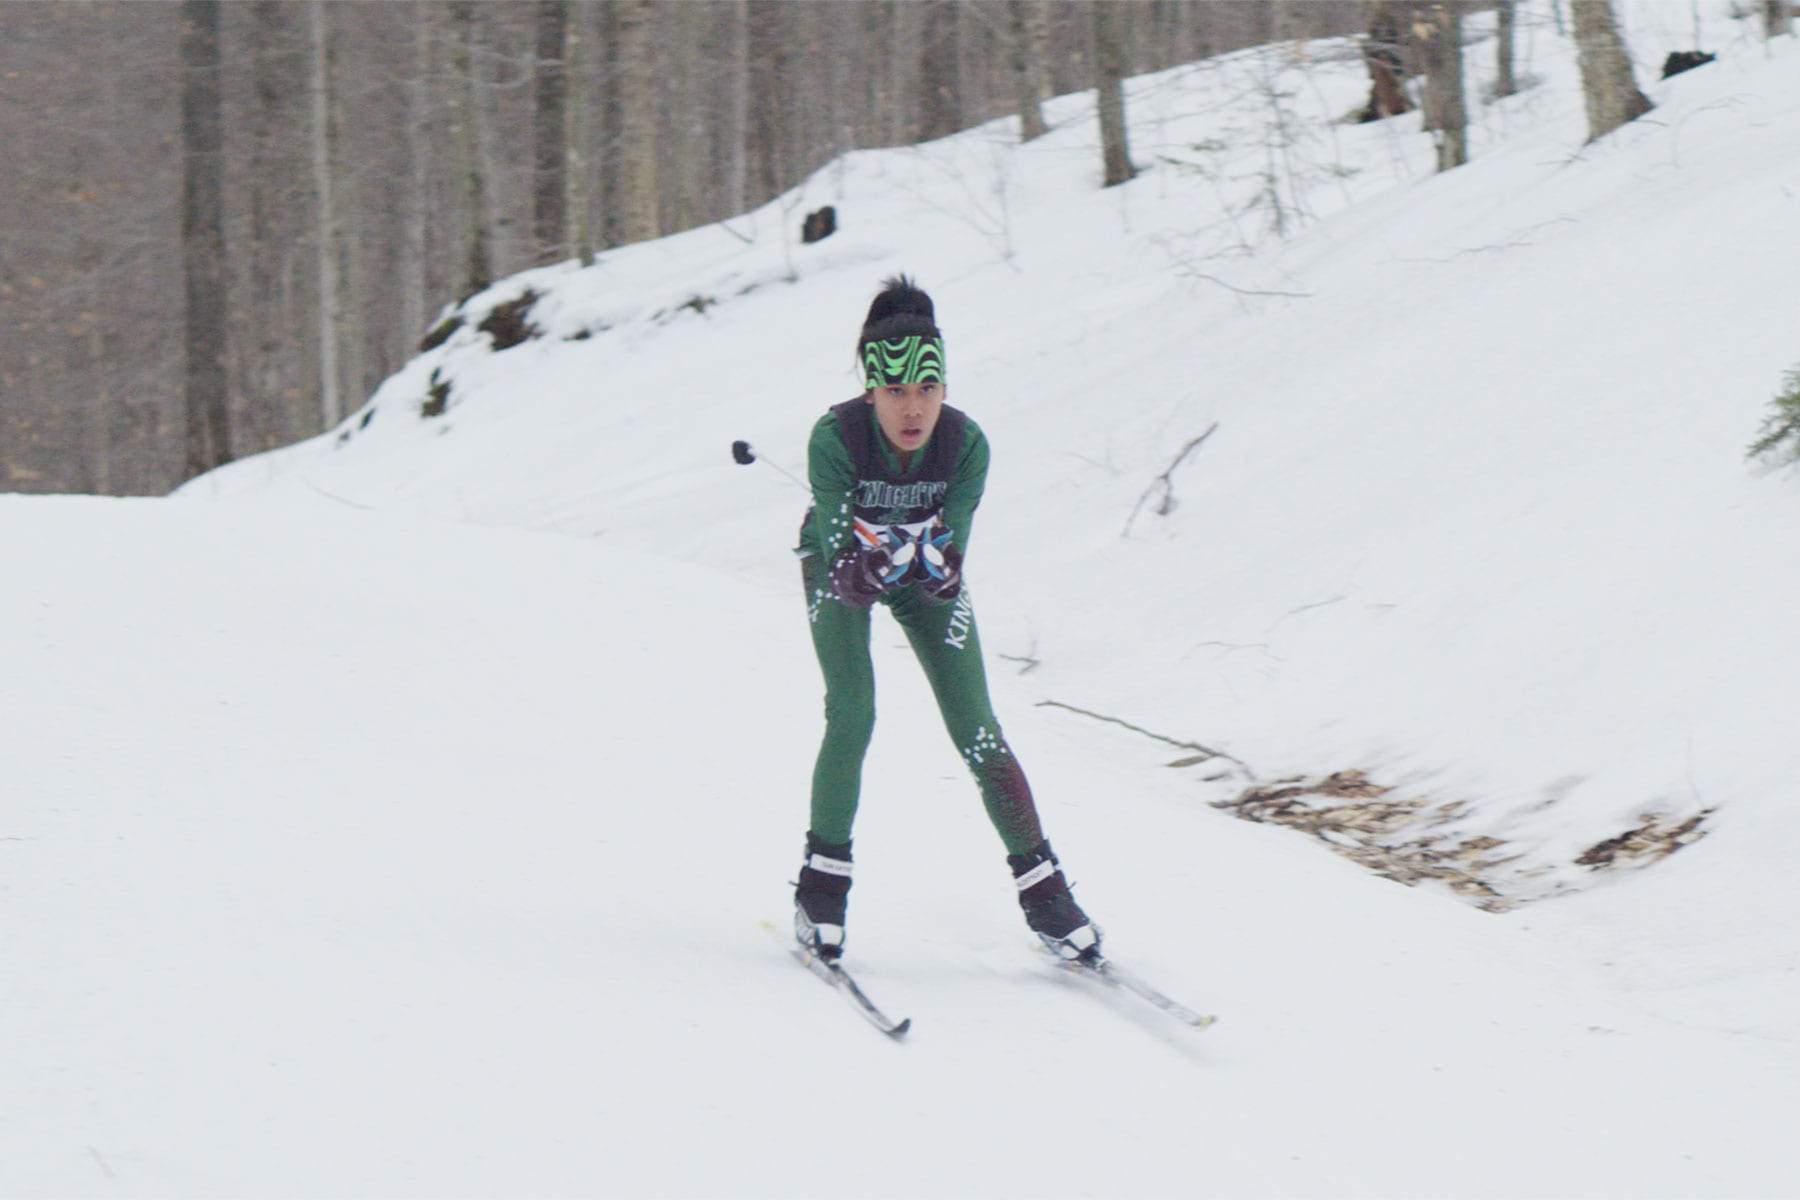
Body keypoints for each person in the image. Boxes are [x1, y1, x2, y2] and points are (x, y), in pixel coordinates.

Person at [791, 275, 1101, 964]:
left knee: (979, 729)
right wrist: (864, 565)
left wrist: (937, 565)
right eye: (896, 392)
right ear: (871, 389)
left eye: (927, 390)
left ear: (944, 389)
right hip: (840, 570)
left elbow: (952, 549)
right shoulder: (833, 438)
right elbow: (841, 553)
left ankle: (1048, 895)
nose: (912, 409)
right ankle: (821, 890)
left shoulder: (966, 446)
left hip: (918, 574)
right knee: (854, 712)